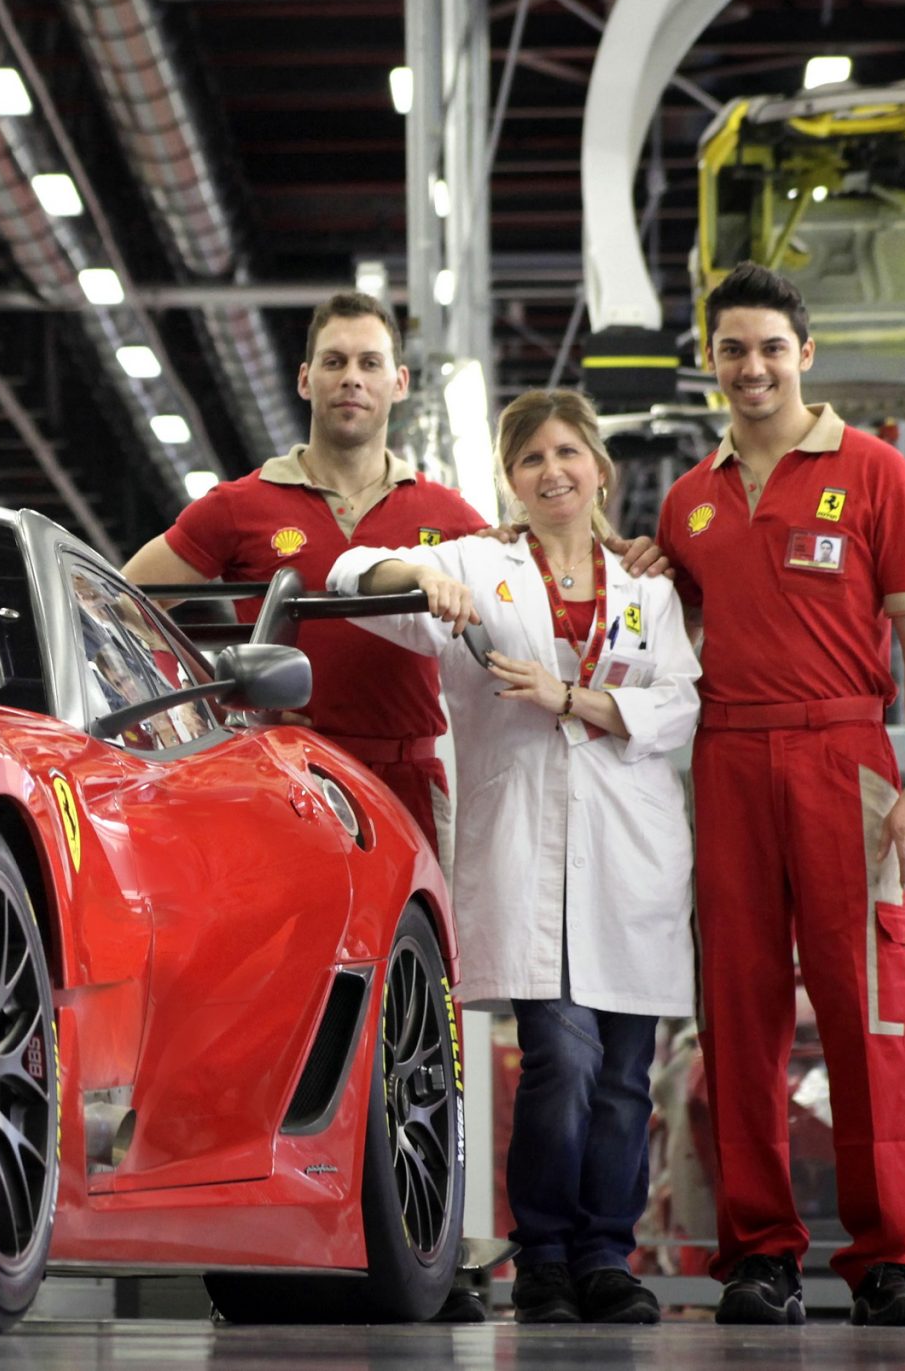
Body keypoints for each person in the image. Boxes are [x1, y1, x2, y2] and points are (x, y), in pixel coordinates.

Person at [331, 388, 698, 1326]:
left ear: (601, 470)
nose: (553, 472)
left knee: (624, 1076)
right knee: (563, 1060)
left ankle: (605, 1256)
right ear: (511, 479)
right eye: (532, 458)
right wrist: (415, 583)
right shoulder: (479, 566)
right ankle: (543, 1254)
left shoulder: (648, 588)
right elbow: (346, 570)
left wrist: (572, 698)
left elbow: (682, 707)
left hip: (632, 856)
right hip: (527, 847)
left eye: (569, 452)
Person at [655, 261, 905, 1328]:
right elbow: (663, 635)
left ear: (805, 355)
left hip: (847, 758)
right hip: (725, 760)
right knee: (736, 1015)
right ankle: (759, 1255)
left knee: (866, 1007)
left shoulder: (873, 471)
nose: (751, 368)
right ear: (711, 362)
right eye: (732, 349)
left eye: (770, 348)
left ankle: (887, 1259)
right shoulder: (686, 501)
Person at [123, 291, 487, 848]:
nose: (352, 379)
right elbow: (119, 608)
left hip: (407, 785)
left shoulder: (451, 516)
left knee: (418, 938)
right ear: (304, 379)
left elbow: (529, 605)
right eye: (334, 362)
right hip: (280, 776)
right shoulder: (238, 506)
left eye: (370, 363)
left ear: (400, 382)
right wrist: (211, 703)